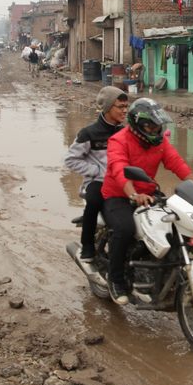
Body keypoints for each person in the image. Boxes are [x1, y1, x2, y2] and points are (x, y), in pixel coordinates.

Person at [101, 98, 193, 304]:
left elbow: (177, 163)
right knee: (124, 228)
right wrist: (134, 195)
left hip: (149, 195)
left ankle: (165, 272)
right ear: (137, 125)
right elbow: (118, 170)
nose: (155, 130)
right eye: (150, 126)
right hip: (119, 196)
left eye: (157, 126)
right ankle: (115, 280)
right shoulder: (119, 140)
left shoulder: (160, 142)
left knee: (176, 224)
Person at [64, 86, 128, 262]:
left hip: (122, 181)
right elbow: (70, 160)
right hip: (98, 181)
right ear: (107, 108)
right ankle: (87, 246)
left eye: (126, 107)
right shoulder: (89, 133)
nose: (124, 111)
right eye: (120, 107)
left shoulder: (125, 132)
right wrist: (97, 171)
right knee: (94, 201)